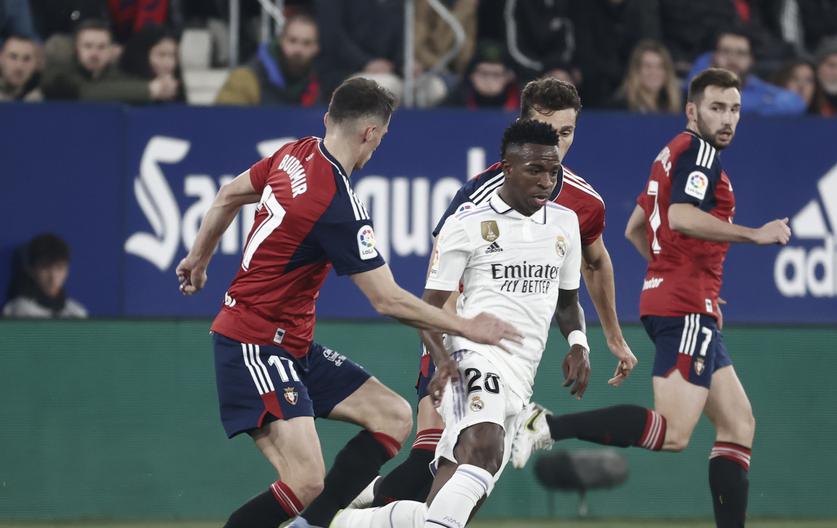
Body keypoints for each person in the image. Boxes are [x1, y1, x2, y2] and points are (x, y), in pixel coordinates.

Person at [175, 77, 520, 528]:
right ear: (370, 134)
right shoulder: (334, 200)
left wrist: (198, 258)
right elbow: (387, 299)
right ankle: (310, 518)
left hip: (291, 345)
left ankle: (313, 524)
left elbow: (228, 196)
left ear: (328, 118)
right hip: (255, 343)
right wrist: (467, 327)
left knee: (393, 416)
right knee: (305, 481)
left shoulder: (295, 153)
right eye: (381, 139)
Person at [324, 76, 637, 524]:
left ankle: (348, 515)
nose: (555, 142)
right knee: (471, 450)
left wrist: (607, 338)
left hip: (519, 361)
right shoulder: (475, 200)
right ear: (521, 126)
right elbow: (440, 287)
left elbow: (594, 264)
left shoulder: (579, 207)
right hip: (461, 340)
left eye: (565, 133)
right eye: (545, 127)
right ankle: (329, 513)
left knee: (448, 478)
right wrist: (446, 354)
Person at [510, 68, 792, 528]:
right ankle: (544, 425)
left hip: (681, 298)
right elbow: (679, 216)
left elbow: (636, 228)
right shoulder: (698, 151)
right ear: (692, 110)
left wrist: (677, 273)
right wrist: (754, 235)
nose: (727, 119)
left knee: (738, 424)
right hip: (684, 306)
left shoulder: (671, 153)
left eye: (735, 109)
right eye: (716, 108)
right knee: (676, 431)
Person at [41, 18, 173, 103]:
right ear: (77, 49)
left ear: (111, 51)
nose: (94, 53)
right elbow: (85, 93)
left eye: (101, 47)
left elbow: (126, 86)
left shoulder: (119, 75)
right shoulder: (61, 74)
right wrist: (150, 89)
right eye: (88, 46)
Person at [686, 28, 806, 116]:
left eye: (741, 53)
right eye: (725, 51)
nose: (732, 59)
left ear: (751, 60)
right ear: (713, 56)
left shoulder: (757, 87)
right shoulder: (699, 84)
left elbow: (796, 103)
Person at [215, 13, 320, 106]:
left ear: (317, 48)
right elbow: (225, 122)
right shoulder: (244, 79)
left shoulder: (323, 84)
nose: (298, 50)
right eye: (292, 41)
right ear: (281, 41)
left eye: (306, 43)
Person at [3, 234, 87, 318]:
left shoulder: (77, 312)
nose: (53, 276)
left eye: (59, 268)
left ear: (67, 270)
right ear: (31, 270)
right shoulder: (18, 309)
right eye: (45, 267)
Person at [605, 39, 682, 113]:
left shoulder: (675, 108)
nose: (654, 72)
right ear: (636, 70)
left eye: (660, 66)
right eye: (647, 66)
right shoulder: (619, 108)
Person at [441, 41, 520, 111]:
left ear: (508, 78)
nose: (489, 80)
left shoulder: (524, 105)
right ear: (471, 76)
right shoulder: (454, 104)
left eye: (496, 75)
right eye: (483, 73)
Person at [118, 23, 185, 103]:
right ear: (143, 55)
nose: (168, 62)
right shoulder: (121, 77)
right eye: (161, 55)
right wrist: (151, 89)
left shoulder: (178, 86)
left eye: (172, 55)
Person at [0, 33, 42, 101]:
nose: (19, 66)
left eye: (26, 59)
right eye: (13, 57)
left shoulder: (43, 99)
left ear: (36, 63)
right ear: (1, 58)